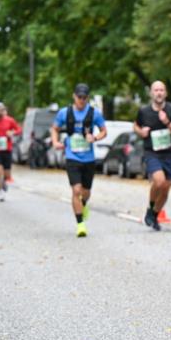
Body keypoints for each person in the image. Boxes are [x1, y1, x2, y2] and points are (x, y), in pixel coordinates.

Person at [51, 83, 107, 237]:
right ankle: (80, 224)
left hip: (88, 158)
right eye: (79, 97)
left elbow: (104, 131)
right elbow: (54, 128)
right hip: (72, 156)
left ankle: (83, 205)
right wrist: (55, 142)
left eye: (84, 97)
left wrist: (95, 137)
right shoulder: (64, 113)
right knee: (76, 190)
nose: (81, 100)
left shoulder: (94, 113)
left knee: (86, 192)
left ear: (87, 98)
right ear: (74, 96)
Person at [134, 81, 171, 231]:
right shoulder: (144, 111)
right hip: (151, 152)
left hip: (168, 153)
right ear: (151, 93)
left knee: (166, 188)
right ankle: (150, 208)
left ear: (166, 93)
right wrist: (141, 132)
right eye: (156, 90)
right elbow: (135, 125)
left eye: (161, 90)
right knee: (159, 181)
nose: (159, 93)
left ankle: (154, 215)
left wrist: (167, 122)